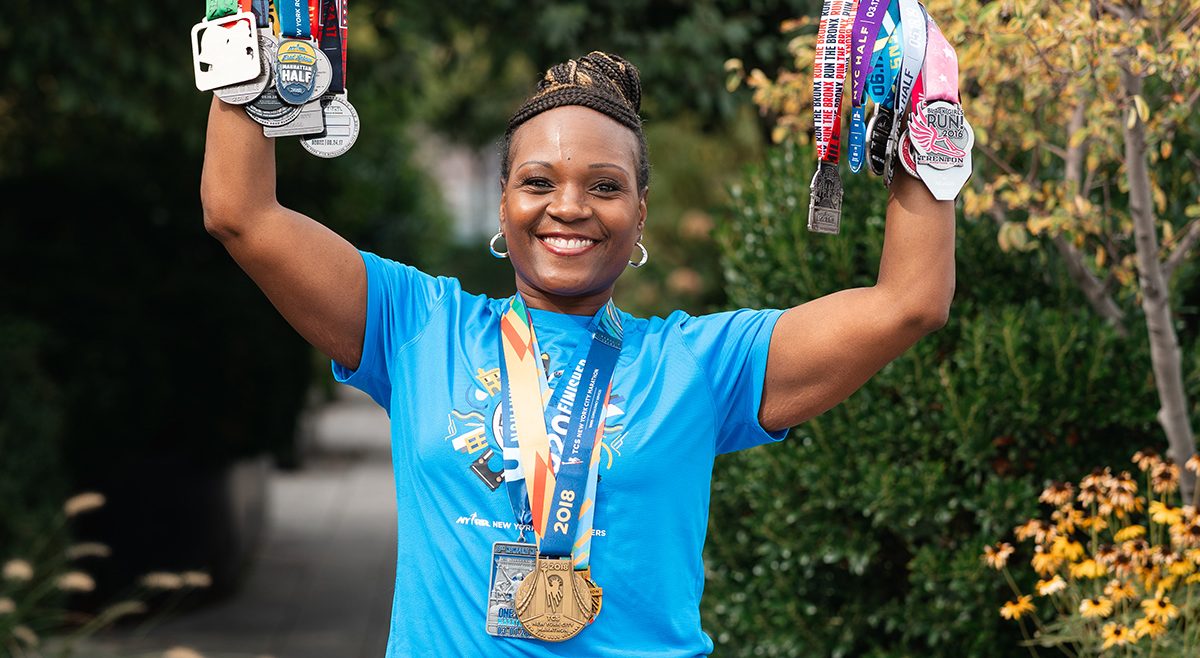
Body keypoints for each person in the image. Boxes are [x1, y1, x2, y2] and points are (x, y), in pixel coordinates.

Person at [200, 51, 955, 656]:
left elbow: (908, 302)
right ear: (503, 202)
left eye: (604, 185)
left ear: (639, 213)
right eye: (538, 182)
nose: (569, 207)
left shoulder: (701, 365)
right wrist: (250, 48)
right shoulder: (416, 326)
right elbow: (241, 215)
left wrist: (928, 117)